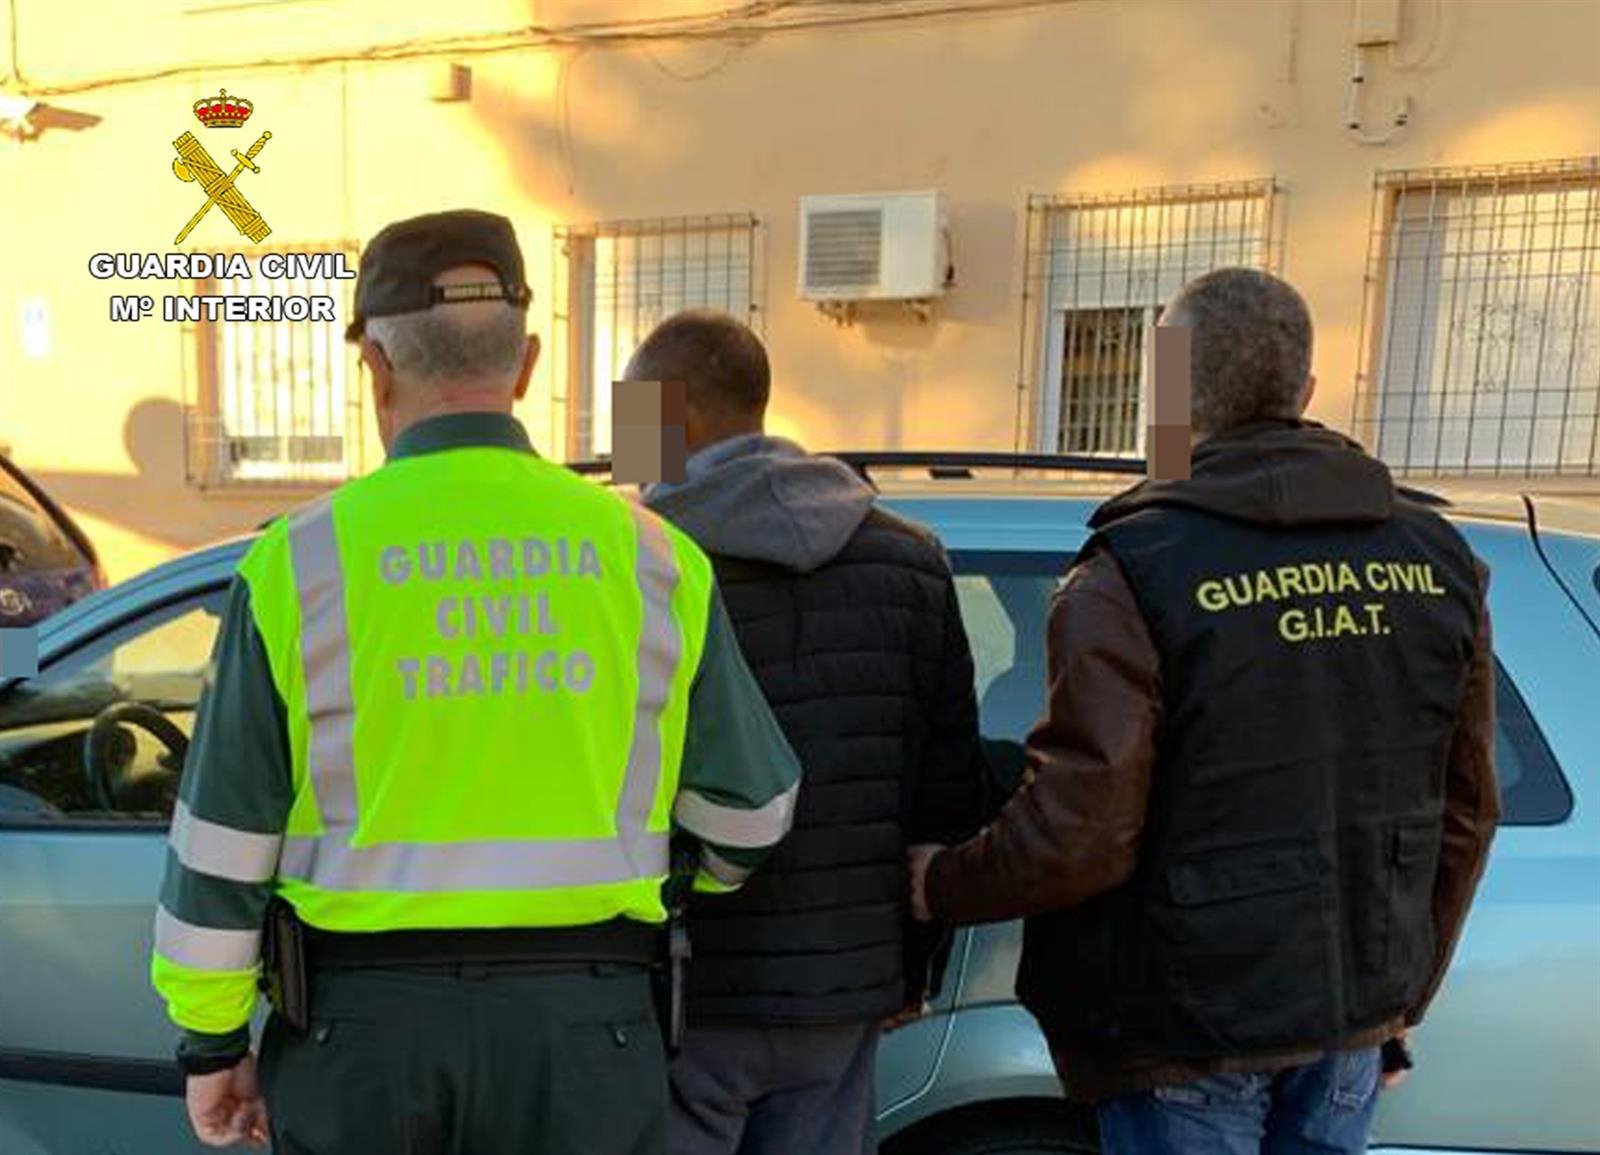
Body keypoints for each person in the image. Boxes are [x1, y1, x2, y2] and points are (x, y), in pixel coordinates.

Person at [150, 211, 803, 1155]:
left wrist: (209, 1038)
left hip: (359, 1036)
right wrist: (681, 873)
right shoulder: (654, 557)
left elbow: (222, 841)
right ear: (528, 363)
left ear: (374, 368)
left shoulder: (299, 562)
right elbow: (751, 810)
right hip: (588, 1031)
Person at [908, 268, 1499, 1155]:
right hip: (1348, 1018)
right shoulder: (1436, 556)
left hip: (1181, 1028)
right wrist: (1397, 996)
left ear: (1169, 394)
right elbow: (1468, 807)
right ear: (1305, 390)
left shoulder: (1133, 567)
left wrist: (940, 882)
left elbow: (1083, 827)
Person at [625, 310, 988, 1155]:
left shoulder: (645, 565)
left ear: (672, 418)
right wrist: (910, 963)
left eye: (632, 420)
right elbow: (948, 791)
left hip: (684, 986)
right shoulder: (911, 558)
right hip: (844, 985)